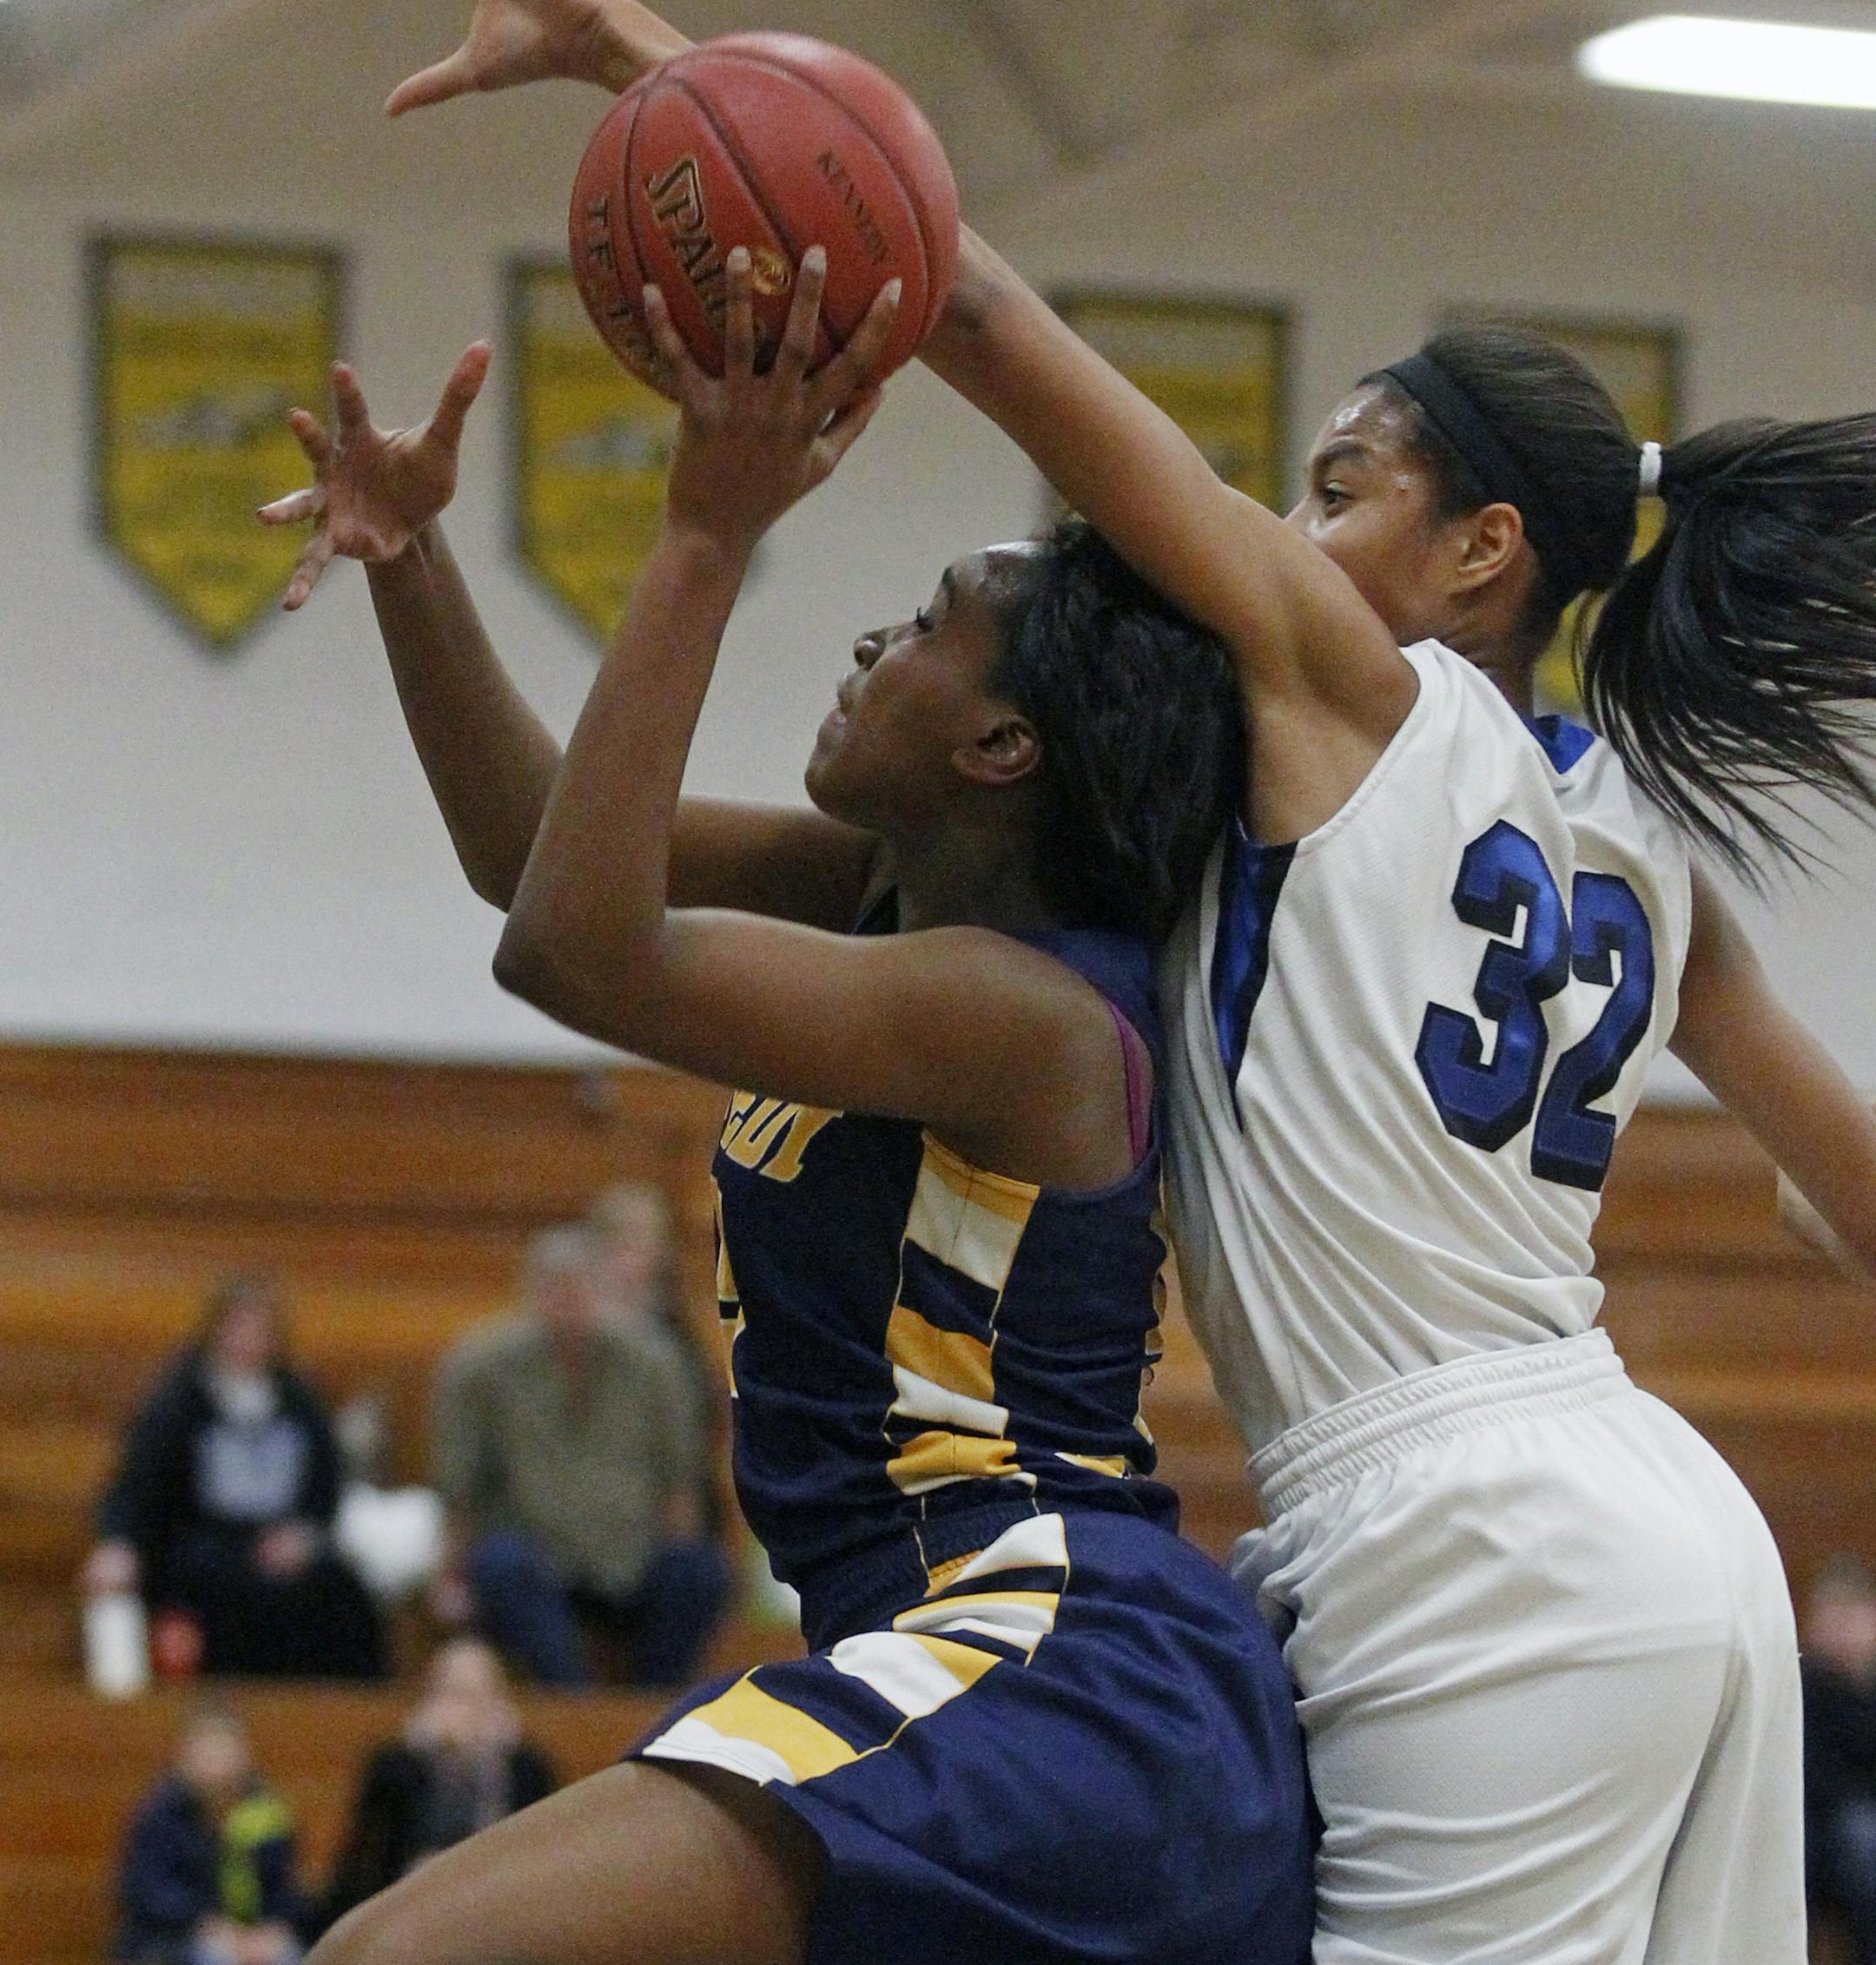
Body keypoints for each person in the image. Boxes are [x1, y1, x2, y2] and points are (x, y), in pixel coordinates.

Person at [373, 8, 1876, 1961]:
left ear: (1477, 556)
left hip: (1455, 1533)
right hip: (1669, 1518)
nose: (1285, 530)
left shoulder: (1354, 690)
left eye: (1340, 490)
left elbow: (970, 304)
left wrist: (648, 64)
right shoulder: (1642, 845)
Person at [262, 241, 1313, 1962]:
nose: (867, 639)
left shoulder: (1021, 1014)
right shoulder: (891, 894)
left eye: (923, 632)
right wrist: (413, 558)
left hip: (1056, 1656)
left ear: (998, 753)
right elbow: (529, 855)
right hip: (950, 1648)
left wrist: (707, 531)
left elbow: (575, 957)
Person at [429, 1222, 728, 1689]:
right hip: (534, 1559)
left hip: (632, 1556)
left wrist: (679, 1540)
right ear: (531, 1295)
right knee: (500, 1567)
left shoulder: (655, 1366)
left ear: (603, 1292)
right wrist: (449, 1571)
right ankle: (576, 1704)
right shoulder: (482, 1369)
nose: (568, 1305)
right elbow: (460, 1484)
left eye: (580, 1289)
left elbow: (680, 1480)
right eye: (554, 1290)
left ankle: (651, 1705)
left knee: (700, 1573)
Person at [83, 1274, 386, 1680]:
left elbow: (324, 1491)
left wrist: (302, 1536)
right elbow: (140, 1487)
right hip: (202, 1545)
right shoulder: (179, 1403)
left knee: (339, 1589)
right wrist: (119, 1543)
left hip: (281, 1545)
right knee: (206, 1582)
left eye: (259, 1331)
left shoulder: (299, 1401)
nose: (247, 1342)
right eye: (236, 1329)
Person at [314, 1638, 557, 1936]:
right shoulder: (395, 1764)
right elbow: (362, 1866)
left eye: (474, 1695)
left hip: (500, 1913)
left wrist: (484, 1765)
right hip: (406, 1913)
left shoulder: (526, 1767)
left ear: (499, 1700)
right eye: (450, 1693)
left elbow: (543, 1864)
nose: (462, 1709)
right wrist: (429, 1762)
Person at [116, 1698, 307, 1965]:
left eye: (224, 1752)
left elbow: (284, 1886)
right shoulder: (160, 1814)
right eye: (206, 1753)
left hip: (254, 1934)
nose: (216, 1763)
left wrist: (273, 1927)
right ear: (184, 1757)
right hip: (177, 1937)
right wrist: (204, 1923)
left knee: (288, 1955)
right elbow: (146, 1891)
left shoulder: (268, 1812)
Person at [587, 1182, 729, 1540]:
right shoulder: (579, 1325)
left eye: (652, 1238)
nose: (645, 1252)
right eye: (630, 1238)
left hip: (660, 1484)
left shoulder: (675, 1326)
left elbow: (698, 1416)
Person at [1804, 1557, 1876, 1964]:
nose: (1843, 1629)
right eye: (1834, 1615)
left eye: (1854, 1615)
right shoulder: (1805, 1685)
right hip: (1819, 1818)